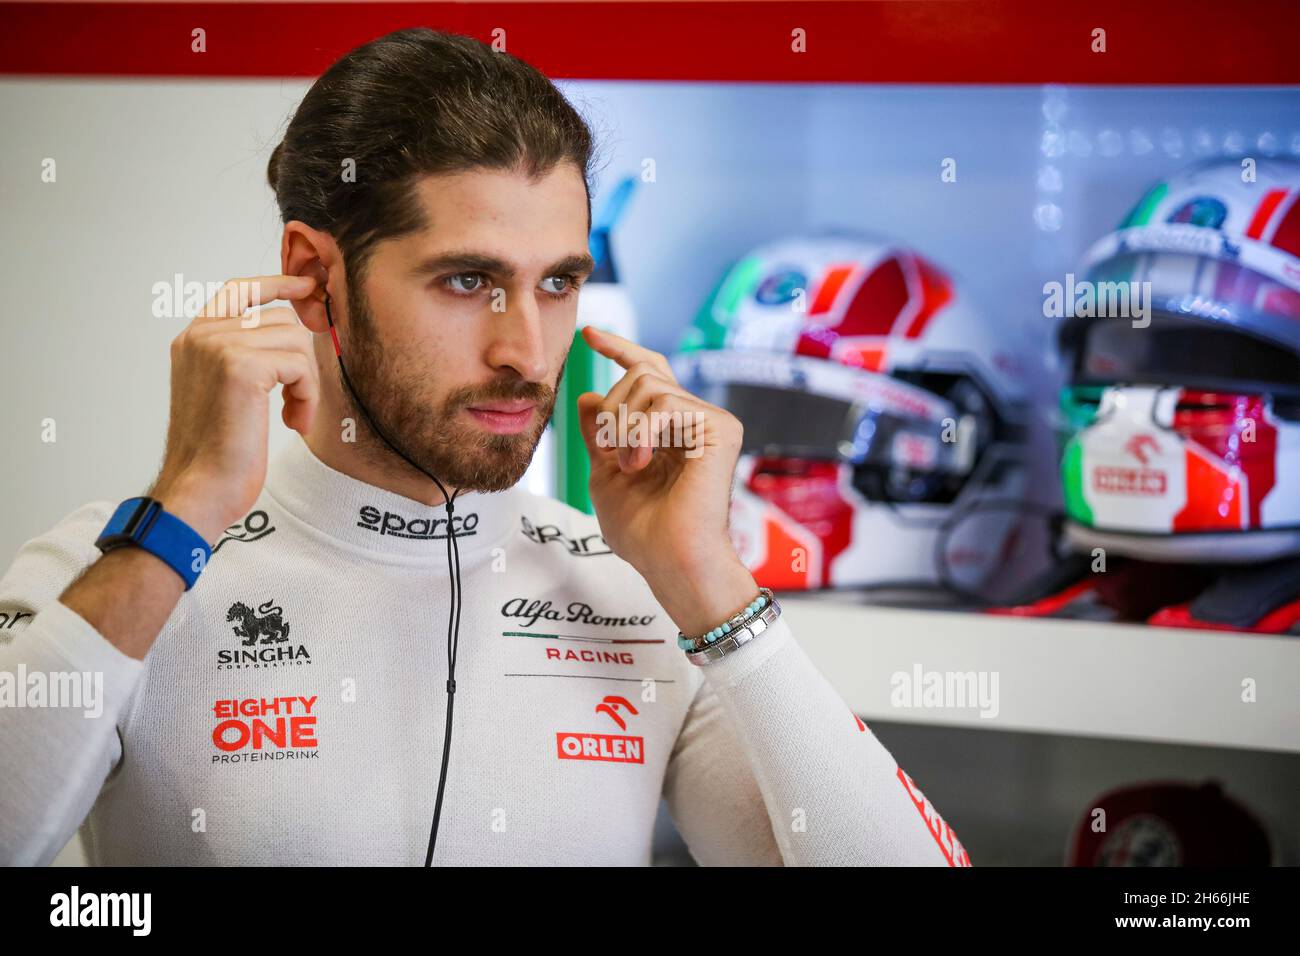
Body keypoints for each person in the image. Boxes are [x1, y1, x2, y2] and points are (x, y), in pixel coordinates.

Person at [0, 27, 967, 867]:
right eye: (467, 281)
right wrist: (183, 516)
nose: (527, 351)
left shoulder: (635, 595)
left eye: (558, 283)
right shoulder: (118, 569)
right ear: (310, 272)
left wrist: (710, 581)